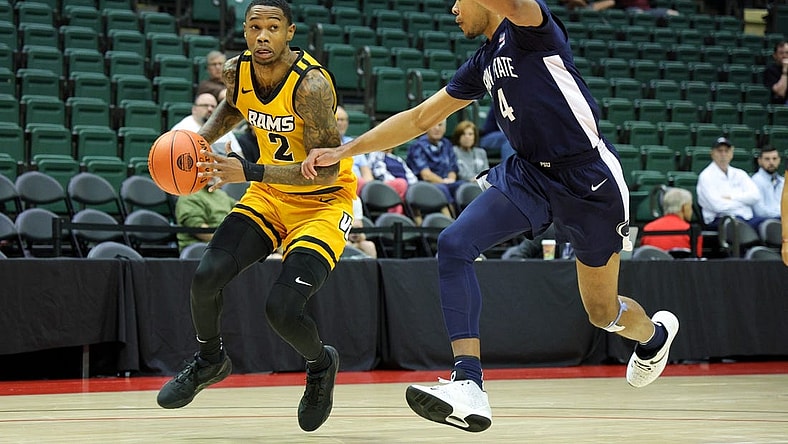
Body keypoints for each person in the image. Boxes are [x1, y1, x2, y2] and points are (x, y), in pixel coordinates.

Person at [302, 0, 679, 433]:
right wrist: (345, 149)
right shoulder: (483, 62)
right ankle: (468, 383)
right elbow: (420, 118)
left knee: (601, 311)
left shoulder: (531, 30)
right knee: (454, 244)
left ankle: (652, 338)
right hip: (531, 175)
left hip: (590, 181)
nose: (452, 10)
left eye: (459, 1)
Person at [156, 0, 357, 434]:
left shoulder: (313, 85)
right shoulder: (236, 70)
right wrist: (200, 142)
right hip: (269, 195)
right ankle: (211, 360)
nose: (262, 36)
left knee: (281, 309)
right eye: (254, 27)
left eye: (272, 27)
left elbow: (324, 167)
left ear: (290, 33)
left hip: (322, 202)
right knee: (206, 276)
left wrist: (243, 170)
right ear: (245, 31)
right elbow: (233, 106)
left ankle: (321, 365)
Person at [696, 137, 764, 230]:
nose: (723, 154)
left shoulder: (740, 173)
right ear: (712, 153)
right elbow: (717, 206)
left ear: (731, 153)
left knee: (768, 223)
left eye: (726, 151)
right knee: (739, 226)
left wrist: (732, 197)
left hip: (745, 218)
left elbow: (755, 196)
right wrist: (744, 203)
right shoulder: (706, 176)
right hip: (719, 220)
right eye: (719, 151)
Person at [171, 93, 245, 158]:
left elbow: (239, 155)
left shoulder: (224, 127)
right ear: (194, 109)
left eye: (213, 106)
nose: (210, 109)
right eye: (205, 105)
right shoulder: (181, 130)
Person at [406, 119, 462, 204]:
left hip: (446, 183)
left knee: (463, 186)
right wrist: (443, 182)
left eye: (440, 125)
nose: (437, 128)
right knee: (443, 189)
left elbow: (452, 168)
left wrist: (451, 179)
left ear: (445, 128)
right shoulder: (418, 146)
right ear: (427, 128)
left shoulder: (447, 144)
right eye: (433, 125)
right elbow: (426, 175)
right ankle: (451, 217)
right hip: (425, 184)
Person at [640, 187, 703, 257]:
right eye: (690, 206)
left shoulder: (648, 228)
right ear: (684, 207)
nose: (691, 211)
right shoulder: (692, 231)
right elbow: (697, 261)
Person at [174, 181, 237, 251]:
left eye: (215, 170)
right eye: (207, 170)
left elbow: (239, 208)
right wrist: (229, 241)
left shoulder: (221, 194)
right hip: (204, 249)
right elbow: (200, 230)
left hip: (227, 245)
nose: (212, 173)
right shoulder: (189, 194)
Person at [367, 147, 418, 214]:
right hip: (385, 185)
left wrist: (413, 186)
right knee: (401, 184)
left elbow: (410, 175)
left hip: (404, 185)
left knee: (417, 189)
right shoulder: (376, 154)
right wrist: (398, 182)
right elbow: (380, 173)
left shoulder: (398, 159)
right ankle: (395, 215)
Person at [336, 105, 373, 193]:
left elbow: (366, 172)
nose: (340, 123)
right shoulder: (324, 145)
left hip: (359, 188)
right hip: (340, 187)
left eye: (343, 120)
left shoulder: (353, 143)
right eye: (338, 119)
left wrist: (369, 189)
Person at [751, 145, 784, 220]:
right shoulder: (755, 181)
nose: (771, 162)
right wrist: (781, 215)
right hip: (765, 223)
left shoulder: (783, 182)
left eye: (774, 159)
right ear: (759, 161)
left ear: (779, 160)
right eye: (767, 159)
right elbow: (759, 211)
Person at [763, 41, 788, 105]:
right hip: (780, 104)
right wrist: (785, 71)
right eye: (781, 53)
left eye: (787, 53)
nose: (785, 56)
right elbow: (780, 92)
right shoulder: (770, 70)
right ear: (775, 55)